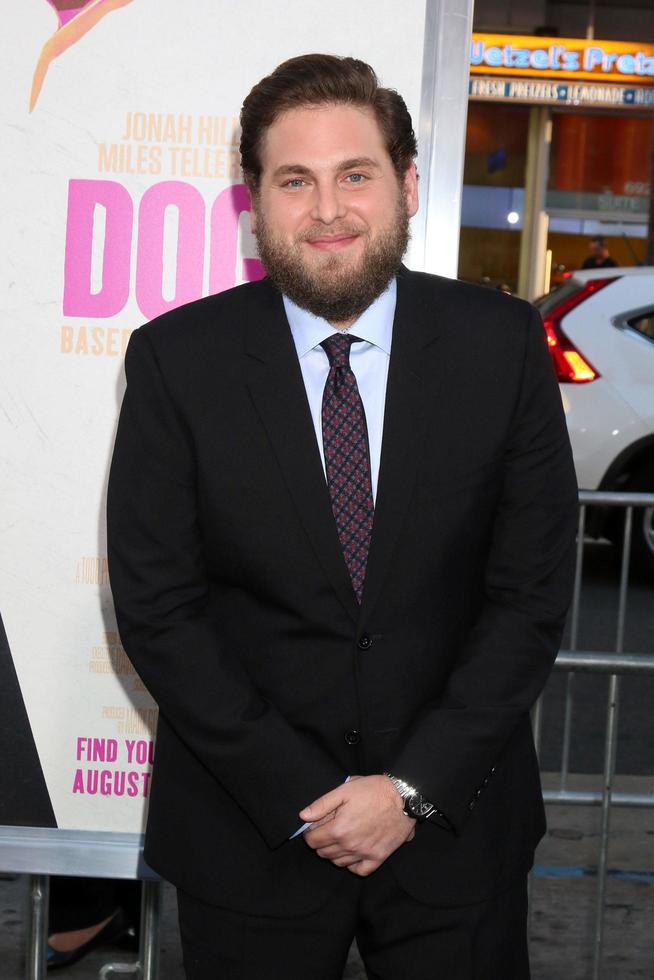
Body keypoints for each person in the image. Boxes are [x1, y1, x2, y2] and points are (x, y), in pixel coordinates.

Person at [107, 54, 578, 980]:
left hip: (457, 838)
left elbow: (528, 597)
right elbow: (161, 609)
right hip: (251, 840)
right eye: (296, 181)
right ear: (254, 203)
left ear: (405, 184)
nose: (328, 210)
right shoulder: (176, 361)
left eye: (354, 174)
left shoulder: (503, 346)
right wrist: (307, 796)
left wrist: (410, 791)